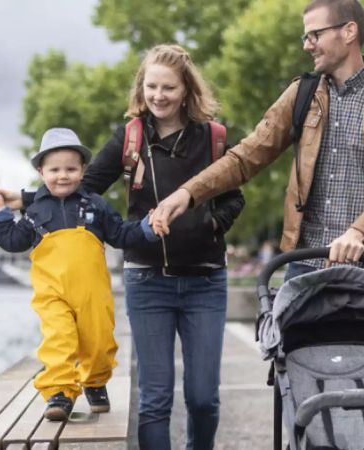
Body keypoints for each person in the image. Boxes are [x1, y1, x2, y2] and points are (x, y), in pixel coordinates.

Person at [150, 0, 364, 283]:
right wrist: (187, 193)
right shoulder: (302, 93)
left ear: (349, 32)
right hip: (306, 265)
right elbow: (245, 157)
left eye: (314, 35)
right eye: (306, 37)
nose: (307, 44)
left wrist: (358, 233)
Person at [81, 44, 245, 450]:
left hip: (205, 281)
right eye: (151, 86)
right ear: (142, 88)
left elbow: (233, 198)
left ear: (186, 90)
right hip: (146, 281)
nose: (159, 96)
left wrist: (210, 224)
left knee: (203, 398)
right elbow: (84, 190)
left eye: (168, 88)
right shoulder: (129, 138)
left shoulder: (214, 138)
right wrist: (122, 231)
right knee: (155, 400)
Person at [0, 127, 159, 422]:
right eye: (54, 169)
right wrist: (1, 215)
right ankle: (59, 393)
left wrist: (146, 228)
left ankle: (94, 381)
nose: (62, 176)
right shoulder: (35, 210)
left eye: (70, 169)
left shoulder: (96, 205)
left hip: (93, 293)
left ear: (83, 170)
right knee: (59, 339)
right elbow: (13, 241)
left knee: (99, 341)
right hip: (52, 294)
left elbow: (119, 234)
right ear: (41, 171)